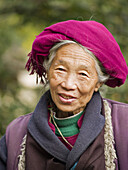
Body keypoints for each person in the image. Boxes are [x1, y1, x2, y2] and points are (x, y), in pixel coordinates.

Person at [0, 20, 128, 170]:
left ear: (98, 83)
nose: (68, 84)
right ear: (47, 71)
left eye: (83, 74)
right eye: (60, 69)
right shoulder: (16, 134)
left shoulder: (123, 124)